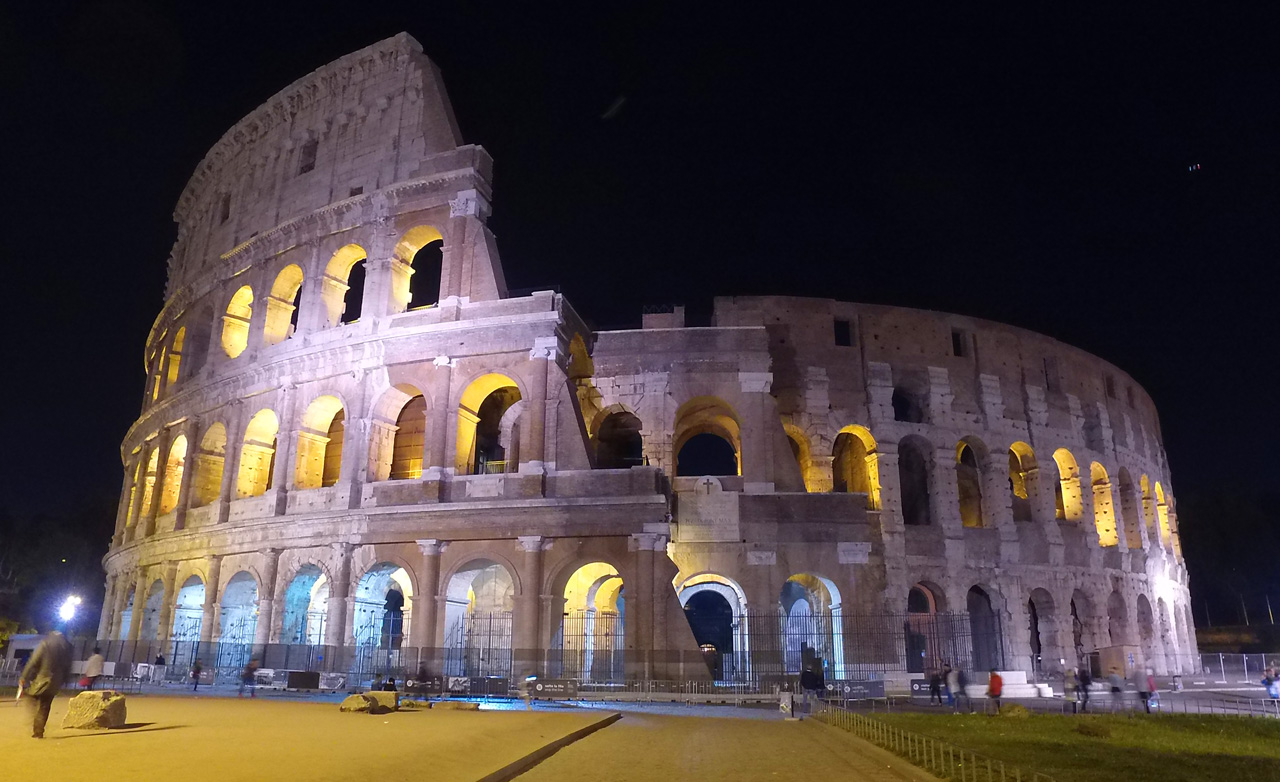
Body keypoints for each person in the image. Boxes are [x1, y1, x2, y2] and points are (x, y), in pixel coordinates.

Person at [19, 630, 73, 739]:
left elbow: (33, 661)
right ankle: (38, 731)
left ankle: (35, 721)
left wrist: (24, 676)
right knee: (45, 705)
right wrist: (65, 679)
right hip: (56, 681)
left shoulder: (46, 642)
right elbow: (68, 665)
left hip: (42, 679)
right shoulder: (68, 646)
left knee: (31, 696)